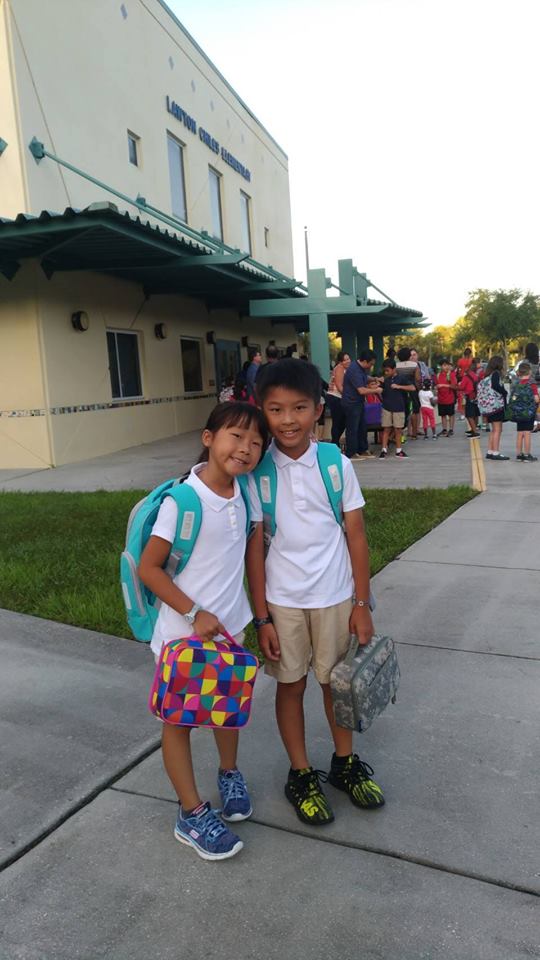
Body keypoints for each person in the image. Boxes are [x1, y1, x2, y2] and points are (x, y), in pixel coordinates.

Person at [246, 358, 385, 827]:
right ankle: (301, 773)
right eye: (276, 409)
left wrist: (361, 604)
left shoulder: (334, 463)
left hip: (335, 597)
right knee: (291, 685)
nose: (288, 420)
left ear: (318, 409)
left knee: (335, 683)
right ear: (262, 411)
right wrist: (262, 617)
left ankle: (344, 763)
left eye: (299, 408)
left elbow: (356, 535)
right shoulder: (256, 471)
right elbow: (253, 549)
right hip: (282, 602)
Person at [138, 402, 268, 861]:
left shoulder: (246, 494)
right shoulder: (183, 502)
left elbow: (251, 559)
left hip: (229, 632)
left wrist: (258, 618)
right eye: (236, 436)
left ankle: (229, 773)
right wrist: (194, 612)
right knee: (179, 722)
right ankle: (191, 813)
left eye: (256, 442)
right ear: (209, 438)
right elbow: (150, 569)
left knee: (225, 708)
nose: (246, 448)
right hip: (182, 638)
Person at [341, 349, 383, 460]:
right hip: (351, 403)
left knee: (362, 427)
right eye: (371, 364)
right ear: (364, 361)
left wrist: (375, 379)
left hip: (359, 402)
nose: (371, 366)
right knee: (353, 428)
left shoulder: (361, 368)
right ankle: (351, 453)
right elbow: (361, 390)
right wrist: (376, 390)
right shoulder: (354, 370)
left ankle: (362, 450)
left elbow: (365, 377)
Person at [378, 359, 416, 459]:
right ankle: (383, 450)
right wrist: (377, 384)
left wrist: (399, 386)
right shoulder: (385, 379)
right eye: (385, 371)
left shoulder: (401, 378)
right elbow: (380, 389)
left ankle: (399, 450)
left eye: (388, 370)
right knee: (386, 428)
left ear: (394, 369)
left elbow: (412, 388)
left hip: (399, 407)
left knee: (398, 429)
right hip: (386, 407)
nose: (386, 373)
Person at [511, 361, 538, 462]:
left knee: (520, 433)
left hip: (518, 412)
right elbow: (536, 399)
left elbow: (512, 398)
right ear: (529, 372)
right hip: (528, 413)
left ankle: (519, 455)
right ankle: (527, 454)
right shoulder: (532, 384)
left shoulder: (516, 384)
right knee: (527, 433)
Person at [483, 356, 509, 460]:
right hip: (496, 406)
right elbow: (495, 386)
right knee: (498, 430)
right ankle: (496, 452)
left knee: (493, 430)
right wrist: (504, 392)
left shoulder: (488, 374)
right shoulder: (496, 374)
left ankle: (490, 451)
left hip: (489, 406)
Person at [325, 350, 351, 446]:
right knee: (337, 422)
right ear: (340, 362)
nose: (348, 361)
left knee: (342, 421)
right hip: (335, 397)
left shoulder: (346, 369)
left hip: (340, 397)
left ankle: (335, 442)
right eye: (345, 360)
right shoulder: (340, 368)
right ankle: (335, 444)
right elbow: (340, 388)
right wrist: (350, 396)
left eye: (348, 359)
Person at [396, 347, 422, 439]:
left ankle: (401, 434)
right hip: (412, 389)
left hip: (400, 390)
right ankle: (414, 434)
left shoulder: (396, 366)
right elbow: (418, 379)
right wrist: (418, 388)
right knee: (414, 411)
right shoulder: (415, 365)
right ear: (408, 356)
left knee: (401, 411)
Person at [435, 359, 458, 436]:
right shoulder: (438, 375)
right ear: (441, 366)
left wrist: (443, 385)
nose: (447, 367)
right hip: (441, 399)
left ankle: (451, 429)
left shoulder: (451, 374)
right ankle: (444, 429)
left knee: (451, 414)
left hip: (449, 398)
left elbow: (454, 386)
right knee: (443, 415)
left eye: (447, 365)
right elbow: (436, 385)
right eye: (444, 365)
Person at [461, 359, 481, 437]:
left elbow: (462, 387)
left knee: (469, 415)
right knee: (475, 414)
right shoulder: (475, 375)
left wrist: (452, 386)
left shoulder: (466, 377)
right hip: (476, 397)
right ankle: (474, 429)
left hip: (470, 396)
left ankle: (475, 432)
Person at [456, 348, 473, 419]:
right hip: (469, 379)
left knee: (461, 396)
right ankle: (469, 411)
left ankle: (462, 413)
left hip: (461, 379)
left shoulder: (460, 360)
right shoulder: (471, 361)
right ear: (470, 354)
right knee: (469, 395)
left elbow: (457, 369)